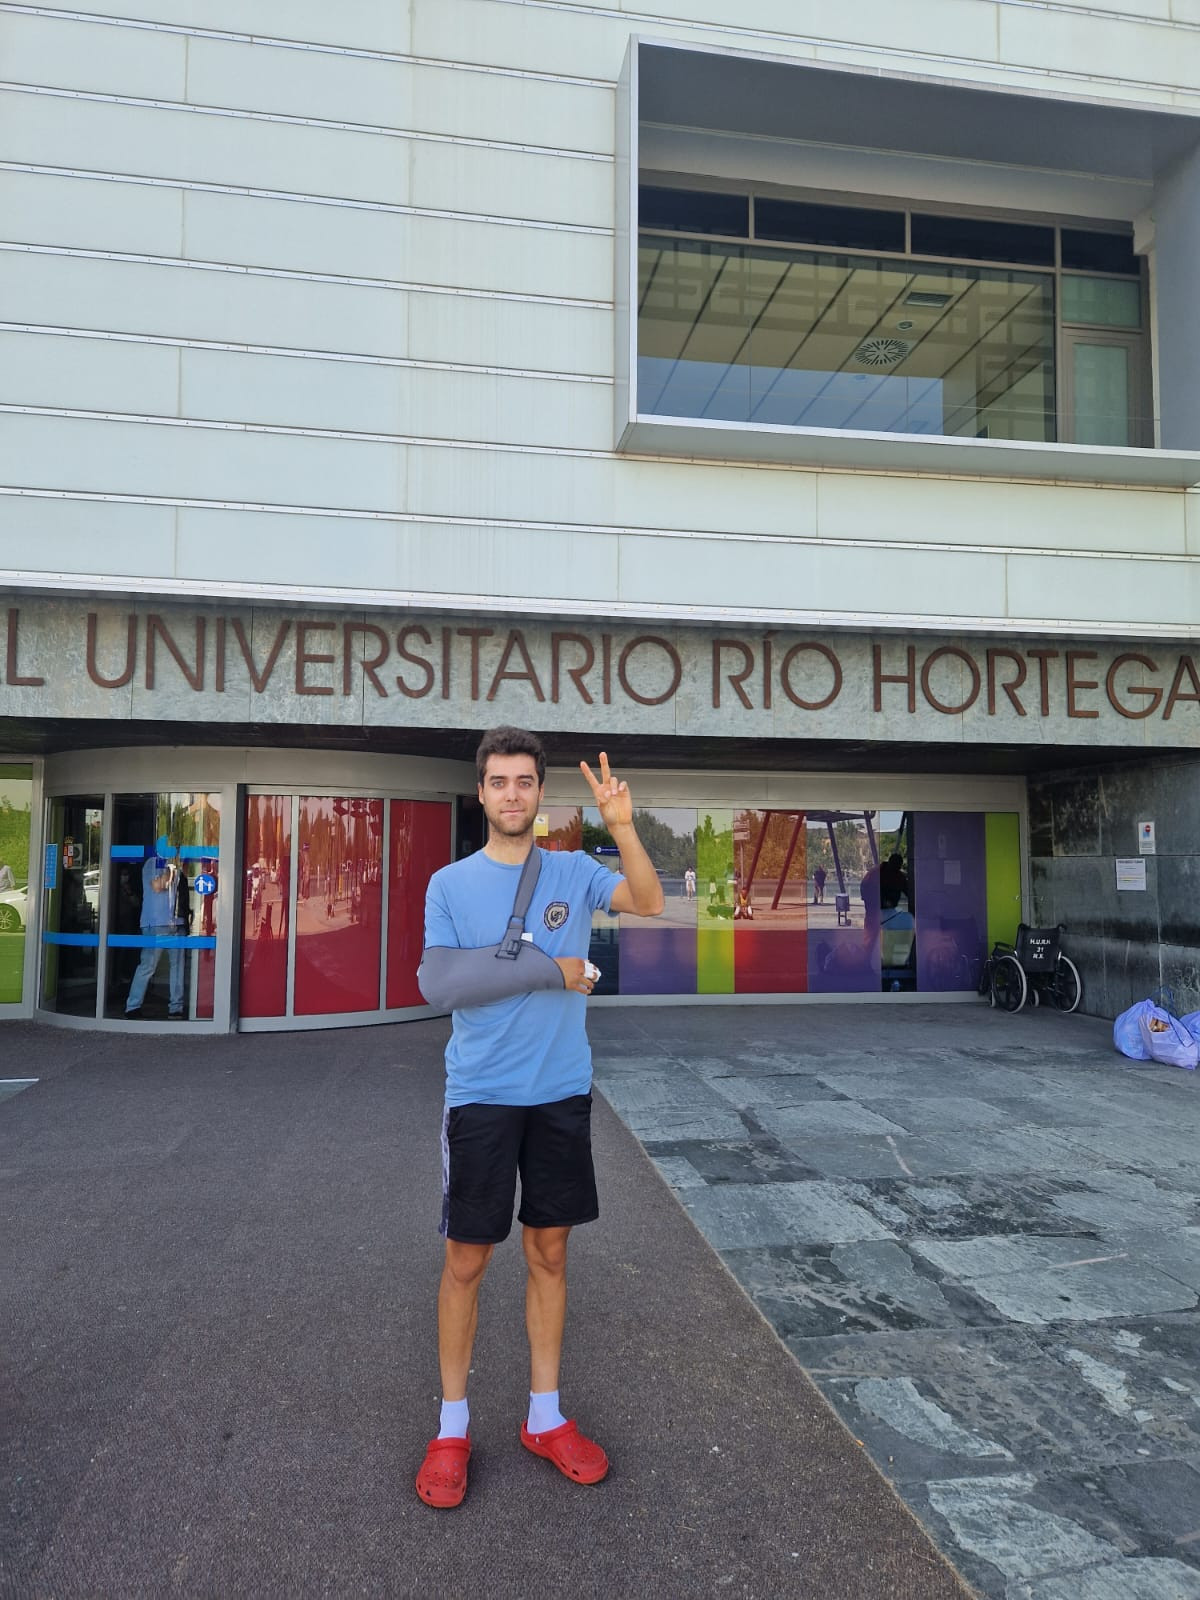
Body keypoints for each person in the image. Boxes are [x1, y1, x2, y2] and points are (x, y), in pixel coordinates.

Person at [415, 726, 664, 1510]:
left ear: (538, 793)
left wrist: (622, 825)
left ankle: (544, 1416)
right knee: (467, 1260)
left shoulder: (572, 870)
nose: (513, 793)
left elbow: (650, 902)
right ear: (480, 792)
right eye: (499, 781)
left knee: (549, 1254)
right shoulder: (449, 884)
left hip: (560, 1089)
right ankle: (452, 1427)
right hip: (482, 1094)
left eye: (525, 781)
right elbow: (441, 985)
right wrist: (549, 970)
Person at [125, 847, 185, 1018]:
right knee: (148, 966)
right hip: (155, 924)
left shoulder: (176, 866)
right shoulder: (153, 863)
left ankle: (176, 1007)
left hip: (175, 923)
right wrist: (172, 869)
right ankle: (133, 1006)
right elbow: (158, 886)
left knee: (177, 967)